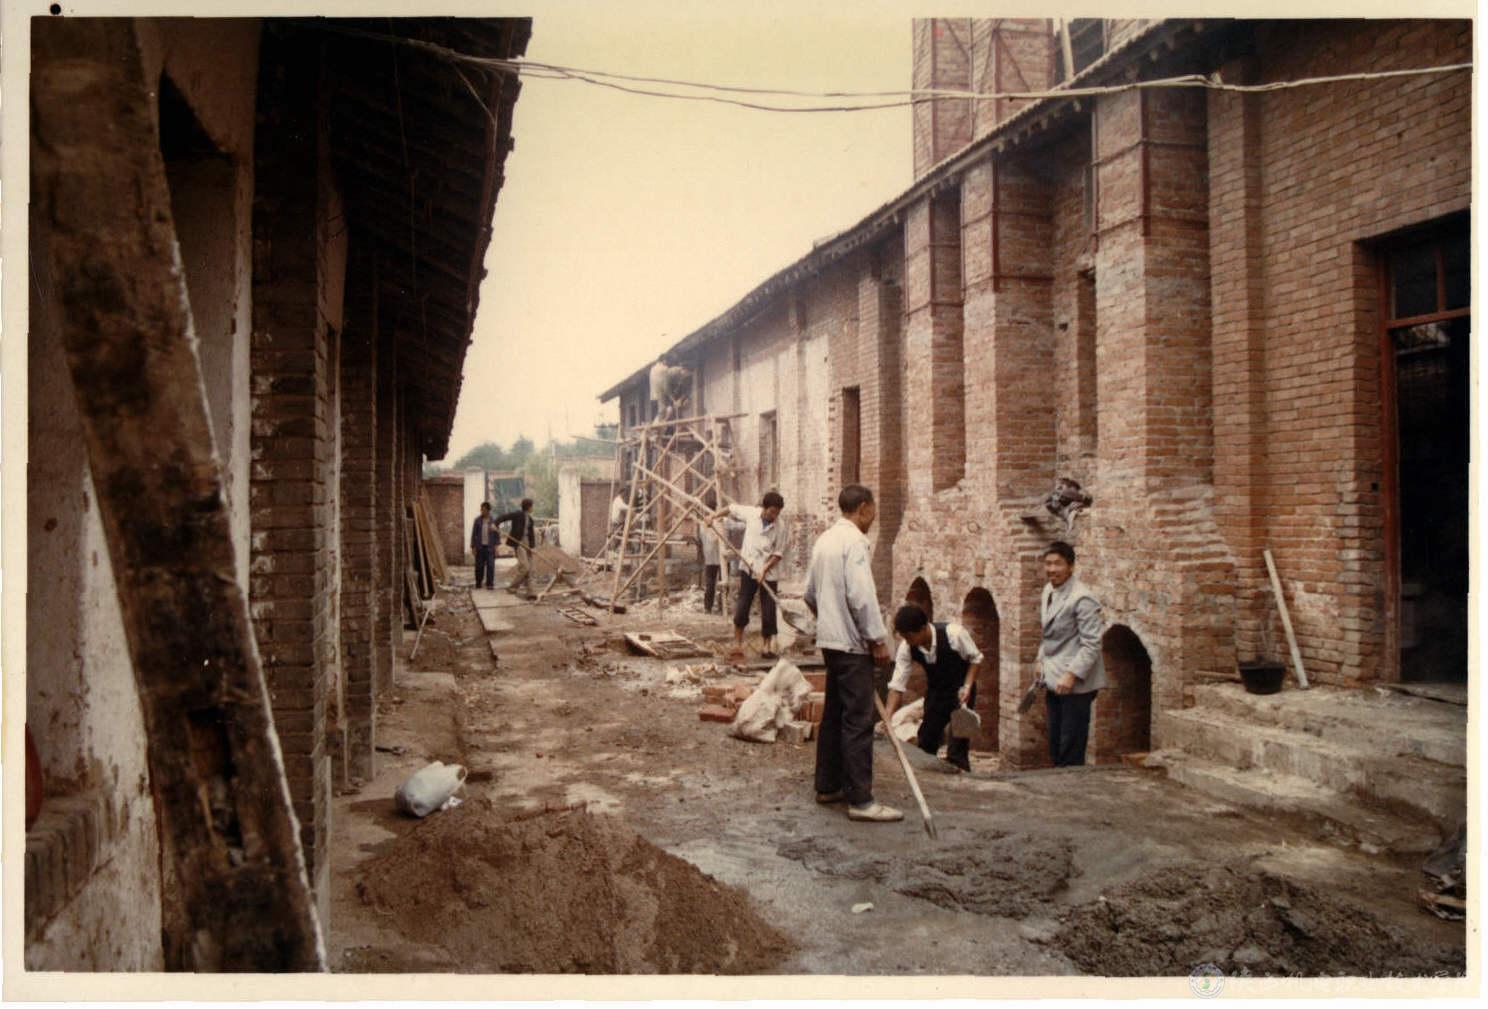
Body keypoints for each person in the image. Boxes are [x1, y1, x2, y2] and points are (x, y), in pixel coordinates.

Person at [803, 484, 901, 823]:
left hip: (831, 643)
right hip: (853, 645)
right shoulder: (854, 542)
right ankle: (861, 800)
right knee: (858, 719)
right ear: (863, 508)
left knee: (834, 714)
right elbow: (862, 597)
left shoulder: (824, 540)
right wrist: (877, 639)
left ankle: (828, 785)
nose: (873, 517)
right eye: (872, 510)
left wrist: (830, 621)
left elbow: (809, 594)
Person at [882, 604, 985, 772]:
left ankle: (961, 775)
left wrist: (967, 686)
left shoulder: (954, 634)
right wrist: (888, 717)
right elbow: (897, 686)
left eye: (909, 636)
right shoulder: (907, 647)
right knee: (926, 738)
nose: (907, 641)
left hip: (962, 691)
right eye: (904, 637)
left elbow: (976, 659)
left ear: (923, 628)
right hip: (937, 692)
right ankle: (929, 778)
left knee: (958, 743)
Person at [1038, 541, 1106, 766]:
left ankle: (1072, 782)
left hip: (1075, 684)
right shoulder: (1049, 590)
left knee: (1071, 744)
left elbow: (1092, 643)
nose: (1052, 569)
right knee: (1055, 740)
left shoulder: (1082, 598)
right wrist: (1040, 659)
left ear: (1071, 566)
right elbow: (1048, 633)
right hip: (1053, 677)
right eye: (1048, 564)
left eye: (1058, 564)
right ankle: (1058, 781)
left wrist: (1071, 675)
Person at [713, 491, 788, 658]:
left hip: (769, 572)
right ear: (764, 508)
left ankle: (767, 647)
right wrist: (713, 516)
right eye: (772, 512)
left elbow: (778, 553)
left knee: (768, 609)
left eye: (777, 513)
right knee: (743, 605)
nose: (774, 516)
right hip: (749, 567)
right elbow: (730, 508)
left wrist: (764, 569)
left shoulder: (781, 526)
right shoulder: (752, 514)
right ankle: (737, 643)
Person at [495, 498, 538, 593]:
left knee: (530, 569)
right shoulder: (517, 515)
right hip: (519, 544)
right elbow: (504, 517)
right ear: (528, 507)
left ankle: (530, 591)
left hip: (527, 544)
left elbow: (531, 535)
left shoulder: (530, 519)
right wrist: (495, 524)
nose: (532, 508)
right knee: (524, 567)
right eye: (532, 506)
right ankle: (512, 587)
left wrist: (532, 547)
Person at [470, 502, 498, 589]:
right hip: (480, 547)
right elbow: (474, 534)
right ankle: (478, 582)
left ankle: (490, 584)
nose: (482, 511)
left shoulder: (493, 521)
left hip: (490, 548)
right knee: (479, 566)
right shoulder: (477, 520)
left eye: (484, 510)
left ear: (488, 510)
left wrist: (496, 548)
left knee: (490, 566)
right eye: (481, 509)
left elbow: (497, 535)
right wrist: (473, 547)